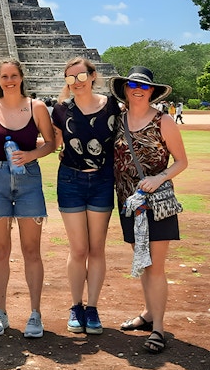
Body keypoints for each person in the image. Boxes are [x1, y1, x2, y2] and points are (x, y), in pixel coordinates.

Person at [0, 59, 55, 338]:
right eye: (4, 76)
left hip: (29, 179)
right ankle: (0, 311)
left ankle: (35, 313)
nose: (9, 81)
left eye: (14, 76)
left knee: (31, 251)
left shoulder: (38, 107)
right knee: (0, 251)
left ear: (22, 78)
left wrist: (31, 154)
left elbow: (51, 143)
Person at [110, 67, 187, 354]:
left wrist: (158, 178)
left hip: (156, 203)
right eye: (132, 84)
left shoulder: (163, 121)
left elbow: (181, 161)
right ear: (126, 89)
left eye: (144, 86)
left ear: (152, 91)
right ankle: (148, 313)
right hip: (128, 203)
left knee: (155, 265)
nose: (138, 89)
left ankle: (158, 329)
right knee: (142, 261)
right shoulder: (117, 120)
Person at [51, 57, 121, 335]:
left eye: (81, 76)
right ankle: (75, 304)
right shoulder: (60, 110)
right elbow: (52, 143)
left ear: (92, 76)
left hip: (103, 179)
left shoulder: (113, 106)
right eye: (70, 78)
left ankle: (92, 307)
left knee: (97, 248)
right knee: (78, 249)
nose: (76, 83)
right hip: (70, 179)